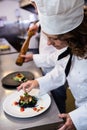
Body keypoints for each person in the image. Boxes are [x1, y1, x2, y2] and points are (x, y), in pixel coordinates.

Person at [17, 0, 87, 130]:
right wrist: (37, 83)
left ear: (71, 35)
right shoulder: (71, 49)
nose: (48, 43)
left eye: (53, 38)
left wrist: (80, 117)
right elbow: (61, 71)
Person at [27, 1, 67, 113]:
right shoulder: (44, 17)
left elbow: (58, 60)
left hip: (53, 66)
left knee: (58, 103)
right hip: (48, 66)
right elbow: (59, 67)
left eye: (35, 5)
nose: (49, 43)